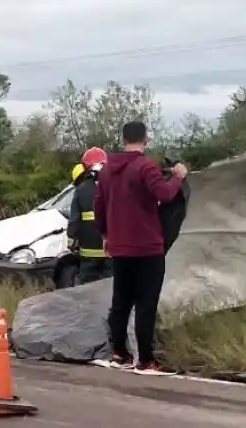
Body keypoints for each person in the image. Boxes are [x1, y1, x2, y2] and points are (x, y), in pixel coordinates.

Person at [94, 121, 188, 374]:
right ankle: (145, 360)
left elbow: (99, 207)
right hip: (148, 247)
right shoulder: (146, 166)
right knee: (146, 303)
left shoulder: (106, 171)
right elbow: (165, 195)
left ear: (123, 138)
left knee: (121, 301)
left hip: (120, 247)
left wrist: (105, 235)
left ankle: (119, 353)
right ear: (145, 139)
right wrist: (178, 177)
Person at [67, 147, 110, 284]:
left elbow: (74, 221)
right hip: (111, 252)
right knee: (110, 287)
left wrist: (72, 240)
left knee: (88, 290)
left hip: (88, 254)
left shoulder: (81, 190)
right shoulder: (115, 187)